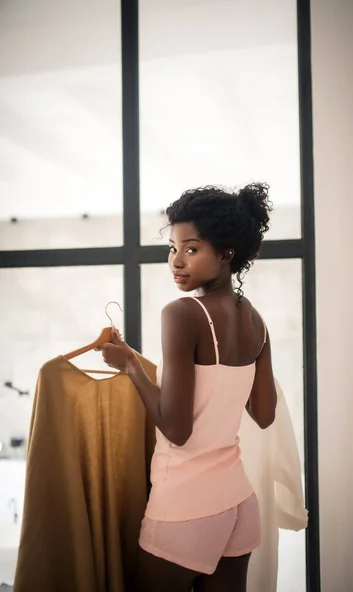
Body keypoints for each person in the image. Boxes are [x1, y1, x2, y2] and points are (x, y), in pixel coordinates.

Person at [99, 183, 277, 592]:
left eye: (191, 249)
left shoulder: (182, 314)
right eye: (172, 248)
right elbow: (264, 415)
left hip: (185, 506)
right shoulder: (256, 321)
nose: (176, 261)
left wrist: (129, 365)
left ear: (226, 253)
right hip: (237, 503)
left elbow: (176, 430)